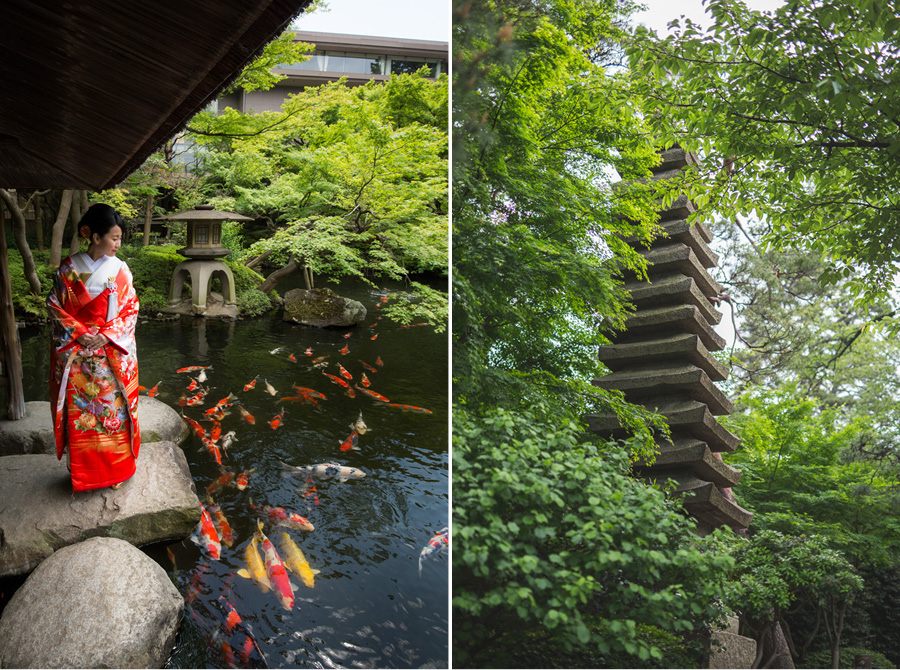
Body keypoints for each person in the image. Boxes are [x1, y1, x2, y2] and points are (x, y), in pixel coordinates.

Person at [47, 203, 141, 492]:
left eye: (120, 238)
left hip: (108, 353)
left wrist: (108, 334)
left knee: (113, 413)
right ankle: (82, 473)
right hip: (77, 354)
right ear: (96, 237)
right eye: (114, 238)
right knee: (82, 416)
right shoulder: (69, 268)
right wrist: (79, 332)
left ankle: (116, 471)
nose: (118, 244)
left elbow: (130, 309)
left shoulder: (120, 269)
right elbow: (54, 305)